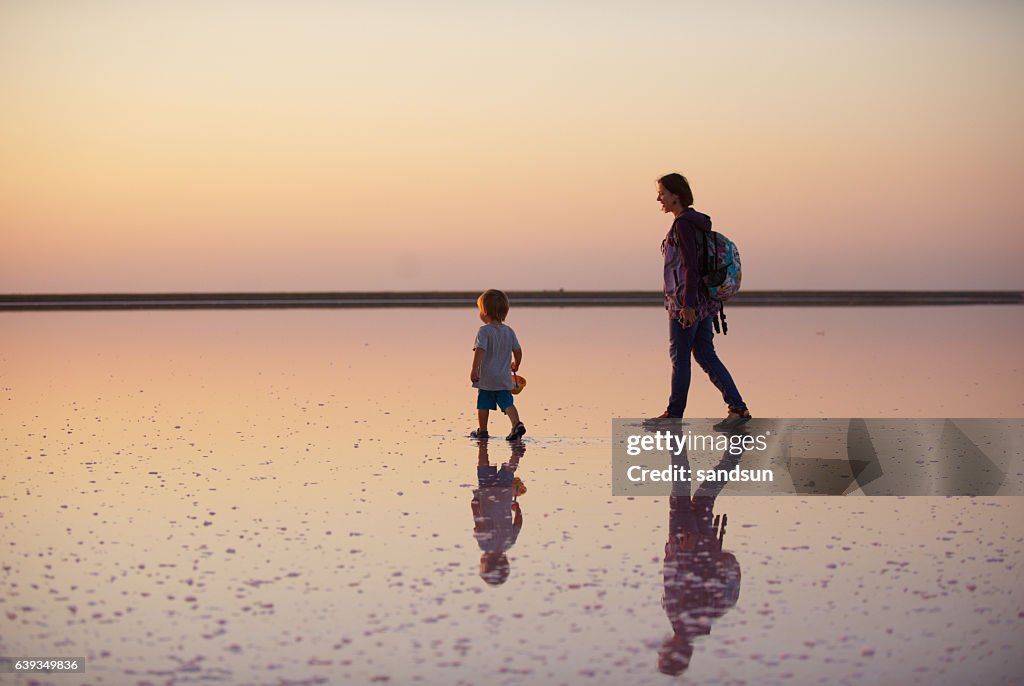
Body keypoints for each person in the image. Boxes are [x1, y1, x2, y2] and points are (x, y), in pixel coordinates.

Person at [652, 173, 751, 430]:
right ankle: (737, 408)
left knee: (680, 357)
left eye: (662, 192)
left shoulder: (684, 224)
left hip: (688, 303)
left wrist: (687, 306)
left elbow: (690, 267)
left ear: (676, 195)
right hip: (704, 301)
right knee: (706, 354)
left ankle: (674, 414)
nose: (659, 198)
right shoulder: (696, 222)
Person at [470, 289, 527, 441]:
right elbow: (518, 350)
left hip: (487, 378)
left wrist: (474, 369)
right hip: (503, 378)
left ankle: (482, 431)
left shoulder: (484, 331)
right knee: (507, 403)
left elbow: (480, 351)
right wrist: (516, 363)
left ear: (485, 312)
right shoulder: (509, 331)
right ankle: (516, 424)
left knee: (483, 404)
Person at [471, 439, 525, 585]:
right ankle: (482, 443)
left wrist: (517, 509)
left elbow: (518, 523)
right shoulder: (485, 544)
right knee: (483, 463)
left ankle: (517, 451)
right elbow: (479, 520)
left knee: (509, 470)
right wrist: (474, 503)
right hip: (486, 493)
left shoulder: (509, 543)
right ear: (486, 563)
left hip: (505, 493)